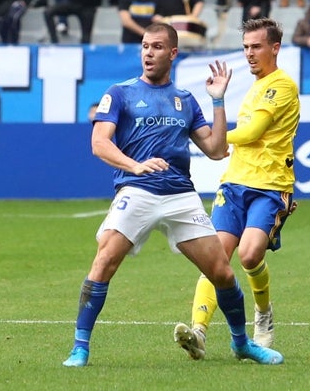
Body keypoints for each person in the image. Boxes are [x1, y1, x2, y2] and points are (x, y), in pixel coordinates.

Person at [63, 23, 282, 368]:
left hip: (180, 194)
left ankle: (242, 344)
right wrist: (134, 167)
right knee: (105, 260)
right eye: (145, 46)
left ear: (173, 53)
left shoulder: (184, 99)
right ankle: (80, 348)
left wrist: (219, 100)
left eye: (157, 47)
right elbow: (99, 143)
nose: (148, 53)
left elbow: (215, 148)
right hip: (137, 190)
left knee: (223, 273)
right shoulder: (119, 93)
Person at [179, 18, 300, 356]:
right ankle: (198, 332)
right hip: (234, 183)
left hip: (270, 186)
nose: (249, 54)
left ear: (274, 48)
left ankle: (263, 315)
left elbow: (250, 134)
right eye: (245, 47)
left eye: (256, 46)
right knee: (215, 259)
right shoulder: (255, 86)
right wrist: (216, 104)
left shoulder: (281, 86)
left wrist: (205, 136)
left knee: (249, 255)